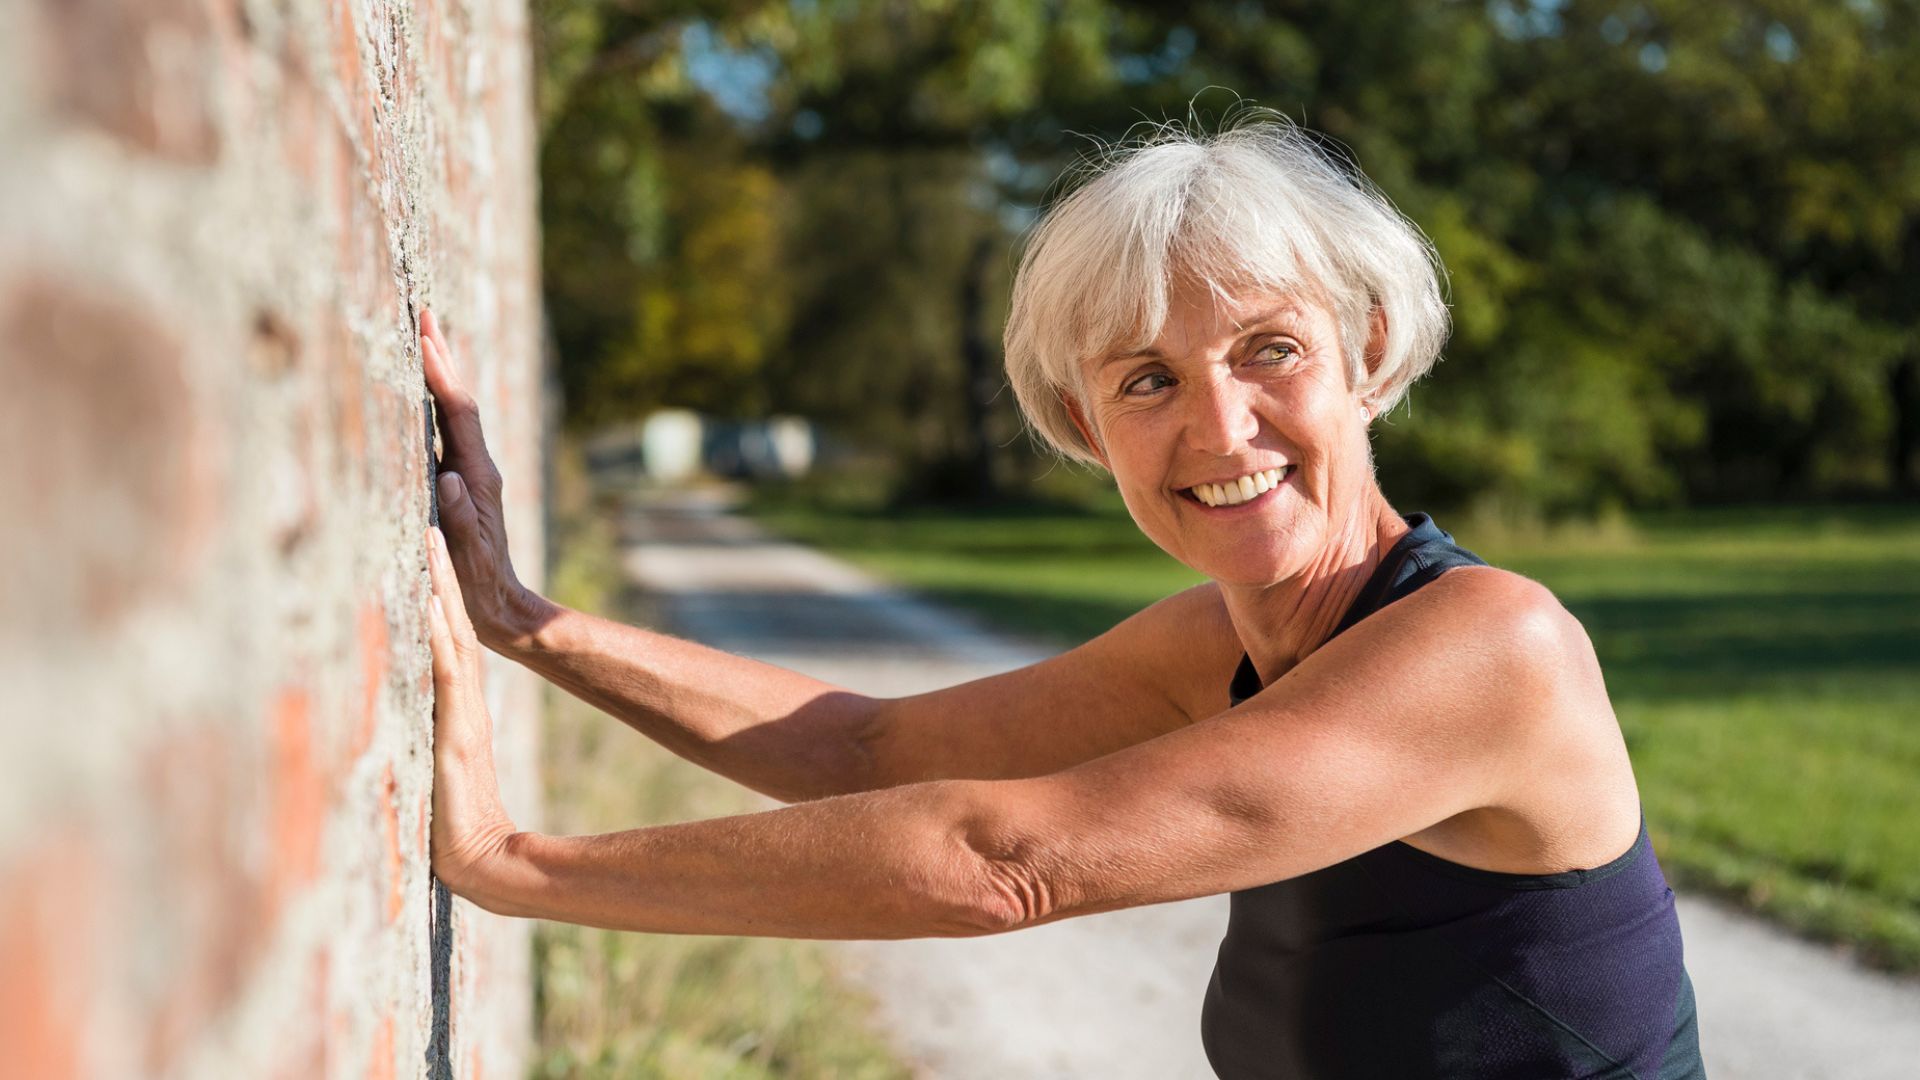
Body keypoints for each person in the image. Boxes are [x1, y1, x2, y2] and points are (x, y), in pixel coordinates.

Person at [419, 115, 1706, 1079]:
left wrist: (513, 866)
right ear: (1083, 424)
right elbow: (866, 750)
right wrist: (526, 622)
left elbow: (1002, 862)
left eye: (1271, 350)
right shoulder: (1217, 649)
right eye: (1146, 380)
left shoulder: (1495, 648)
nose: (1220, 425)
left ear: (1367, 354)